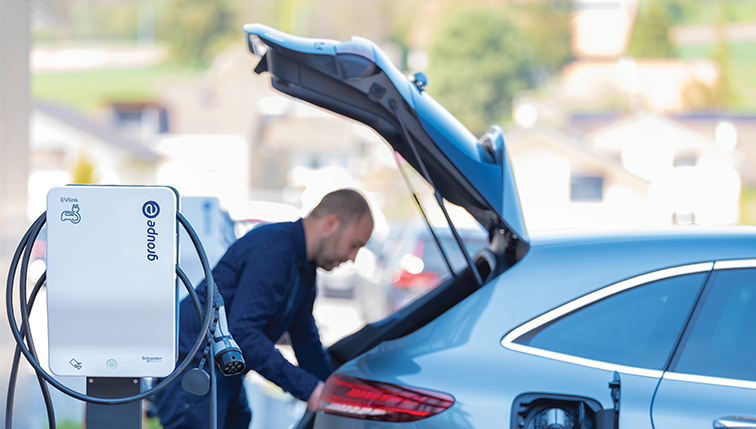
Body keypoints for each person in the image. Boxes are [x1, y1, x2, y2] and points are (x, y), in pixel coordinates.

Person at [154, 189, 374, 429]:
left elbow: (305, 340)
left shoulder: (304, 267)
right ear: (331, 223)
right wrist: (310, 390)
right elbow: (243, 333)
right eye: (354, 245)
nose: (353, 257)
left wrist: (334, 391)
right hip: (195, 368)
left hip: (224, 372)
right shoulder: (275, 247)